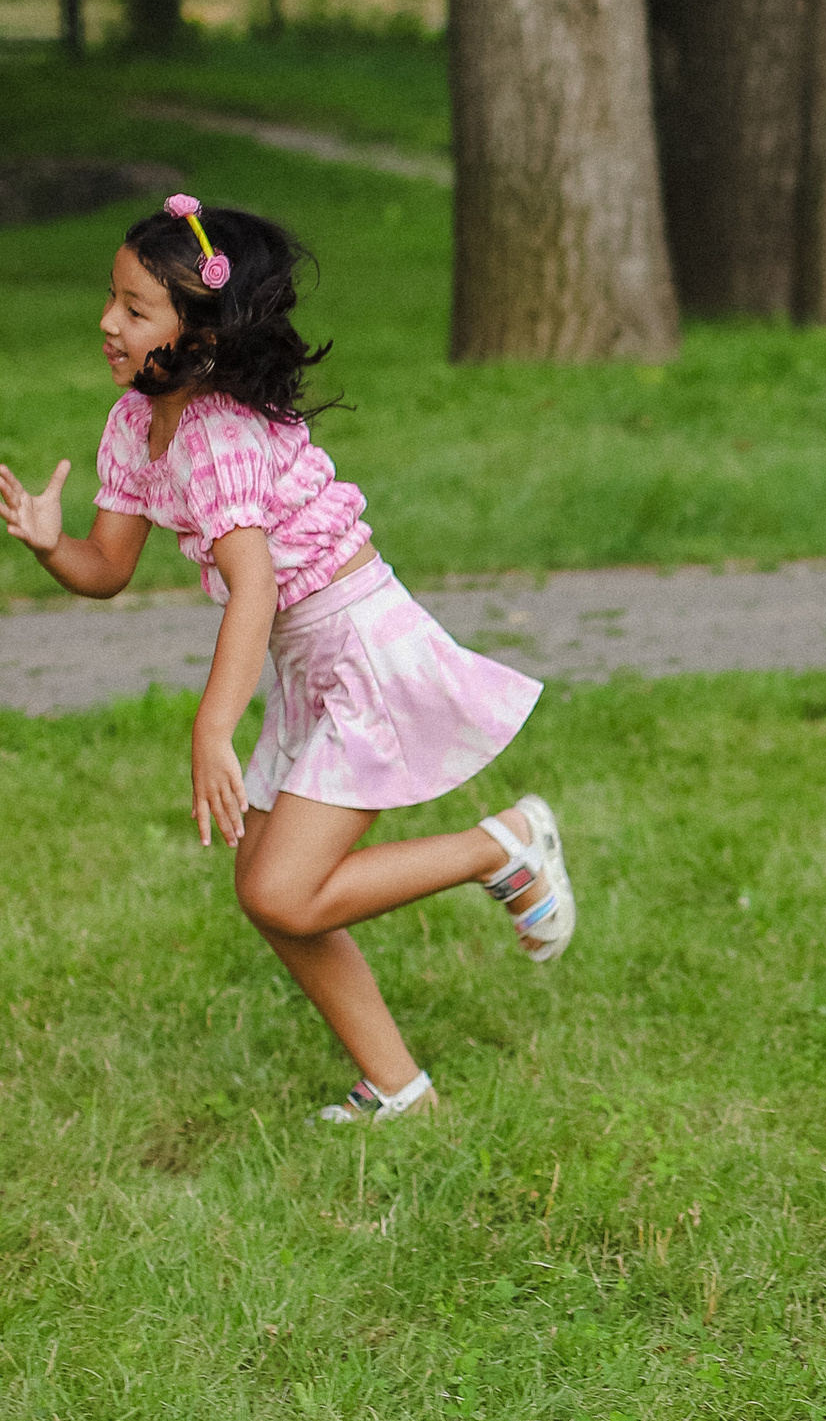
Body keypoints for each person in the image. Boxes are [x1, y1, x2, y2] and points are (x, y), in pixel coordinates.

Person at [0, 194, 575, 1124]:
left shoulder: (218, 433)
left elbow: (256, 586)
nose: (108, 321)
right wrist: (46, 543)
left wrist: (213, 726)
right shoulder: (134, 420)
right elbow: (108, 568)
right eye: (112, 298)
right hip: (310, 657)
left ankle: (499, 845)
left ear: (202, 333)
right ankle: (401, 1089)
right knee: (272, 897)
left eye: (136, 308)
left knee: (281, 887)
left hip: (358, 643)